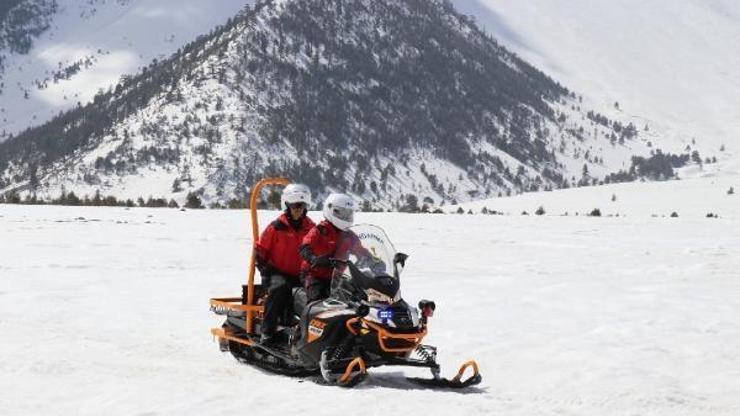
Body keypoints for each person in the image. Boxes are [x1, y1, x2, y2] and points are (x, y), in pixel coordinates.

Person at [254, 184, 315, 343]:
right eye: (295, 206)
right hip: (278, 271)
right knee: (281, 288)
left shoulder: (311, 228)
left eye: (302, 206)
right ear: (287, 206)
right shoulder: (276, 227)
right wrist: (264, 272)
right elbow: (260, 250)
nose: (298, 209)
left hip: (302, 273)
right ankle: (267, 331)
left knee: (319, 293)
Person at [299, 193, 370, 302]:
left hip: (337, 277)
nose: (346, 217)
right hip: (313, 274)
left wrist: (373, 260)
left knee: (358, 296)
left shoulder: (349, 235)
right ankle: (310, 318)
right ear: (330, 210)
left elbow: (360, 250)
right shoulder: (320, 230)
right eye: (342, 213)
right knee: (317, 298)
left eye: (348, 214)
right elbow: (305, 246)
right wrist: (313, 258)